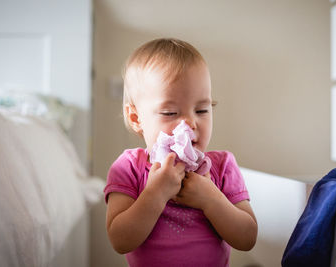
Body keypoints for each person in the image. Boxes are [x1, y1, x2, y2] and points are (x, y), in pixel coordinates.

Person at [104, 38, 257, 267]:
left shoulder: (223, 166)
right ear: (136, 118)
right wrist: (155, 193)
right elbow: (120, 240)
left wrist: (210, 198)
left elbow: (247, 238)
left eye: (202, 110)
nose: (190, 123)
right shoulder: (128, 168)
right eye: (170, 113)